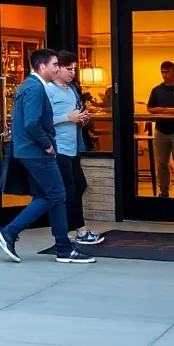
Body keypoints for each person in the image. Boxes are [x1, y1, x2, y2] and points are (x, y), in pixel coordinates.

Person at [0, 49, 95, 265]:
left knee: (49, 196)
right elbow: (31, 123)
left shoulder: (29, 86)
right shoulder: (36, 88)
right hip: (36, 152)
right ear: (42, 67)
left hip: (30, 151)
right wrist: (47, 145)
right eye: (55, 65)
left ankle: (63, 248)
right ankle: (9, 232)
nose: (58, 69)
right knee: (57, 194)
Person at [47, 51, 103, 246]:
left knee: (79, 185)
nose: (72, 72)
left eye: (74, 69)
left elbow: (74, 114)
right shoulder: (48, 90)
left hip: (73, 147)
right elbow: (42, 120)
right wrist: (67, 118)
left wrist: (82, 118)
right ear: (58, 68)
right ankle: (80, 230)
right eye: (68, 69)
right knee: (70, 188)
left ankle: (67, 228)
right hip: (58, 147)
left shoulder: (72, 89)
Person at [147, 61, 174, 199]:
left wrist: (162, 109)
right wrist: (171, 110)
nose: (164, 75)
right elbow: (150, 109)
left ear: (173, 71)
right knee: (162, 163)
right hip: (161, 130)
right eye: (162, 72)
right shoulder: (157, 90)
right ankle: (164, 192)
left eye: (167, 72)